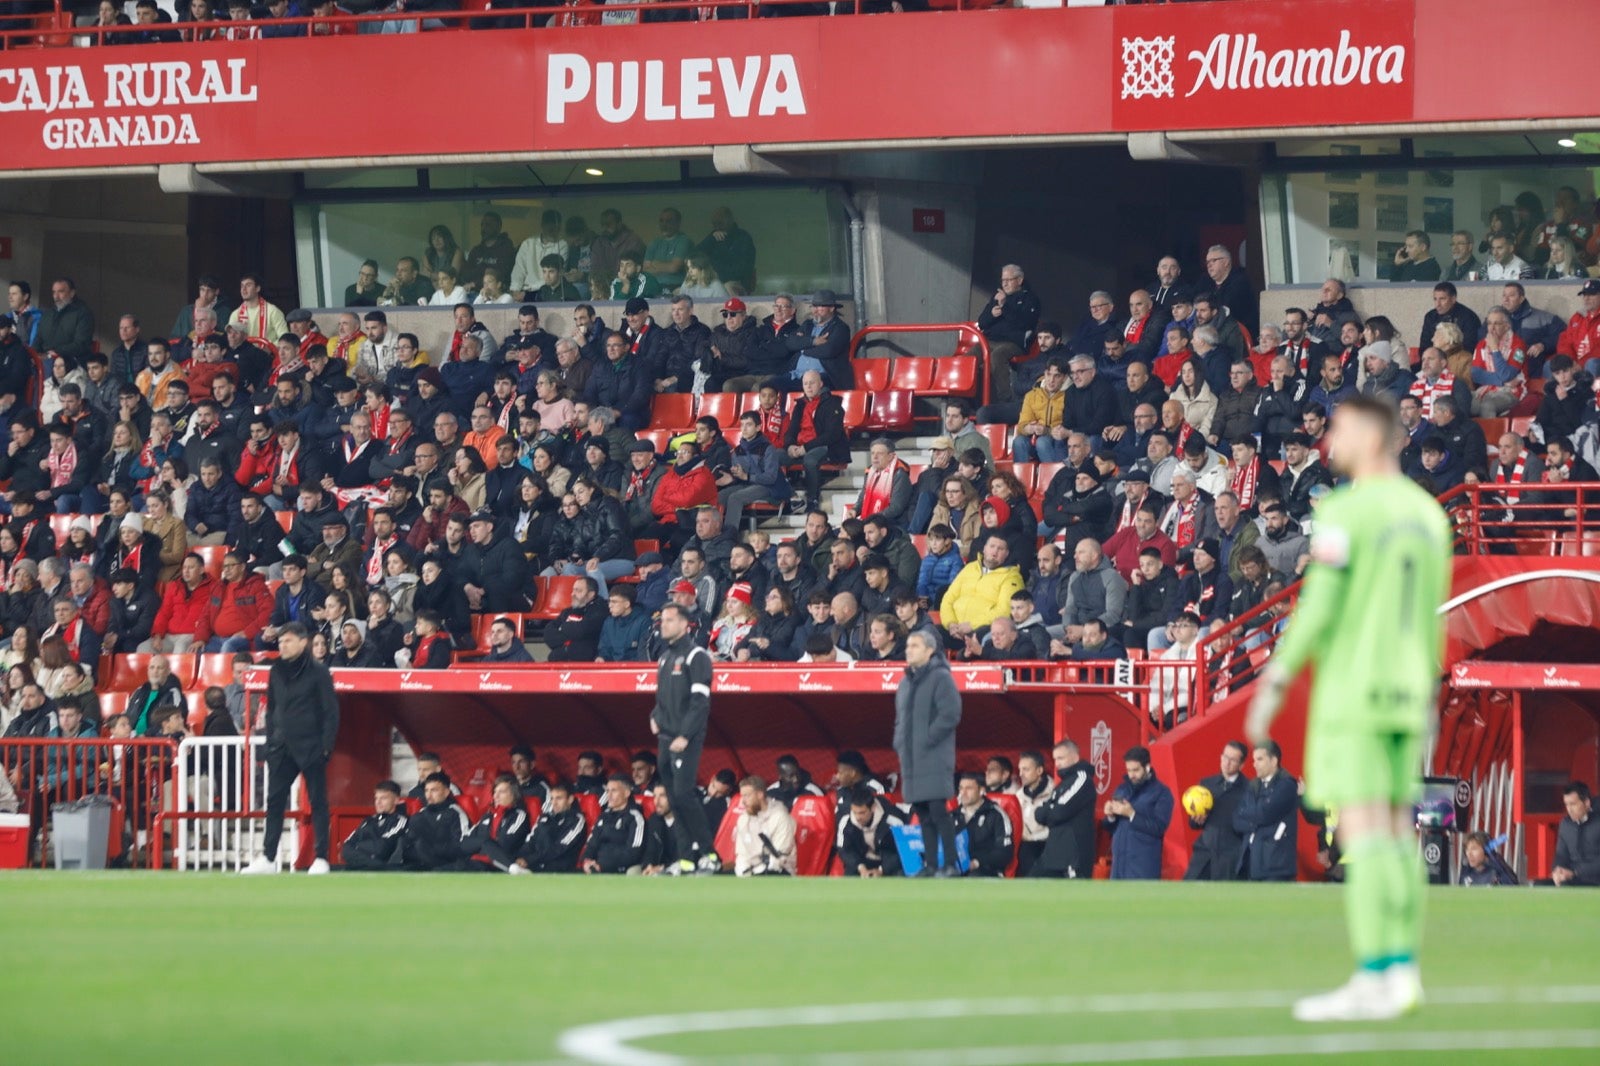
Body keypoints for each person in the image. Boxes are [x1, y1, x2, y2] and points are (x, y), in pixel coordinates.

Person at [1246, 394, 1452, 1022]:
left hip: (1357, 690)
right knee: (1398, 831)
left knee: (1363, 833)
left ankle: (1374, 976)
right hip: (1410, 690)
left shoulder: (1346, 510)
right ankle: (1404, 971)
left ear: (1372, 435)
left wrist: (1278, 674)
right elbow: (1433, 611)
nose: (1330, 438)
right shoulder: (1428, 515)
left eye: (1340, 427)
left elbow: (1322, 602)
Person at [241, 623, 340, 876]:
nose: (282, 645)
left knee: (318, 801)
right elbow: (272, 708)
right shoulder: (276, 670)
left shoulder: (319, 672)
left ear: (302, 642)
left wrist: (326, 747)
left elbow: (330, 711)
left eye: (288, 641)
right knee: (274, 802)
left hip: (311, 746)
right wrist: (271, 742)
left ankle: (321, 858)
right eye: (281, 641)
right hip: (281, 747)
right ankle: (268, 858)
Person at [650, 603, 721, 874]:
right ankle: (686, 859)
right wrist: (654, 716)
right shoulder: (664, 658)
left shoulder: (696, 656)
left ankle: (710, 855)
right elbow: (661, 697)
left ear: (683, 624)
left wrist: (685, 734)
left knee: (683, 795)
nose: (663, 624)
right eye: (662, 620)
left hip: (685, 739)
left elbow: (700, 703)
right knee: (673, 798)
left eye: (669, 620)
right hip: (665, 738)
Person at [894, 629, 962, 877]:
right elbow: (901, 718)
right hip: (911, 757)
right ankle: (931, 864)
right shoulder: (905, 681)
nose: (909, 650)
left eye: (915, 646)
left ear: (930, 650)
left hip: (934, 756)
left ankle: (951, 864)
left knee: (937, 811)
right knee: (922, 813)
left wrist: (926, 738)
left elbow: (950, 713)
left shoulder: (941, 677)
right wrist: (900, 742)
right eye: (908, 646)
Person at [1232, 739, 1300, 883]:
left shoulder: (1287, 785)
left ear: (1274, 761)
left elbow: (1265, 813)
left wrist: (1248, 815)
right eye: (1254, 760)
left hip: (1276, 867)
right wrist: (1255, 820)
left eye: (1260, 759)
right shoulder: (1253, 786)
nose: (1254, 764)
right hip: (1250, 864)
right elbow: (1236, 820)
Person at [1102, 745, 1174, 880]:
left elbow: (1159, 828)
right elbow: (1111, 828)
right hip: (1118, 868)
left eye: (1135, 770)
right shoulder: (1122, 789)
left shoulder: (1162, 793)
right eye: (1128, 770)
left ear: (1147, 767)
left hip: (1143, 869)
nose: (1131, 775)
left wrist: (1132, 815)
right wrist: (1110, 816)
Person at [1182, 741, 1250, 881]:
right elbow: (1193, 823)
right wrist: (1196, 820)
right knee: (1189, 888)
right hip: (1205, 852)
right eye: (1225, 757)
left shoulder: (1248, 790)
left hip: (1230, 856)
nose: (1227, 763)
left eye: (1233, 760)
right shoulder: (1206, 784)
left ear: (1242, 765)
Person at [512, 781, 588, 874]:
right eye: (552, 798)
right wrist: (520, 858)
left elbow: (559, 849)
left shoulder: (577, 820)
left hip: (560, 870)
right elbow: (531, 841)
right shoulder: (544, 817)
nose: (554, 803)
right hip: (536, 865)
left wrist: (529, 860)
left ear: (570, 799)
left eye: (559, 798)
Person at [580, 775, 647, 874]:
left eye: (614, 791)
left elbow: (634, 853)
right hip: (596, 867)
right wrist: (587, 861)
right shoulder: (603, 816)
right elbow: (592, 843)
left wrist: (602, 865)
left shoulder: (636, 818)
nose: (609, 795)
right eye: (607, 791)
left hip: (620, 870)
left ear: (626, 793)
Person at [734, 775, 797, 877]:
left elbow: (779, 857)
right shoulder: (743, 819)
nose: (743, 801)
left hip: (777, 873)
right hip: (750, 872)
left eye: (747, 796)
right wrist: (743, 873)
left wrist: (755, 875)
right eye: (742, 796)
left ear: (760, 795)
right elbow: (742, 854)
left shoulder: (780, 817)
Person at [339, 780, 408, 870]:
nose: (378, 802)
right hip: (374, 867)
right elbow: (346, 846)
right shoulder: (369, 820)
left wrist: (357, 847)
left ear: (396, 800)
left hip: (387, 869)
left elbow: (381, 848)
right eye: (376, 798)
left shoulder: (400, 820)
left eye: (383, 798)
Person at [1548, 781, 1600, 887]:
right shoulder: (1565, 825)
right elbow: (1561, 855)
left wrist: (1575, 872)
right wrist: (1558, 870)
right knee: (1538, 886)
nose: (1569, 809)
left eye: (1573, 804)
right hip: (1572, 879)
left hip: (1594, 880)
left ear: (1586, 803)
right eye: (1566, 804)